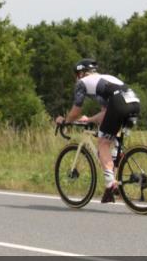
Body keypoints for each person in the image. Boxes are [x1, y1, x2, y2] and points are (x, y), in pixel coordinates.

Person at [55, 59, 141, 203]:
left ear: (81, 74)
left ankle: (110, 183)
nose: (76, 78)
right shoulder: (104, 80)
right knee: (113, 142)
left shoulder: (82, 83)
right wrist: (89, 119)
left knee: (103, 143)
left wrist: (65, 121)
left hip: (119, 103)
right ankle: (116, 178)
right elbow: (106, 113)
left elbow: (76, 110)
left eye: (76, 75)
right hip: (134, 104)